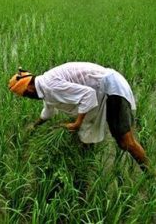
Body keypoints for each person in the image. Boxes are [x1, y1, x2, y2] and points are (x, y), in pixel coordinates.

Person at [8, 62, 150, 172]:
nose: (28, 97)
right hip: (102, 88)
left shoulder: (50, 86)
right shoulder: (44, 87)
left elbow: (87, 95)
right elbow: (48, 111)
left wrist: (76, 123)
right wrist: (35, 125)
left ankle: (150, 174)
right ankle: (86, 157)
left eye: (26, 94)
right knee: (88, 129)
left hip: (112, 87)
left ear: (29, 88)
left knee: (126, 142)